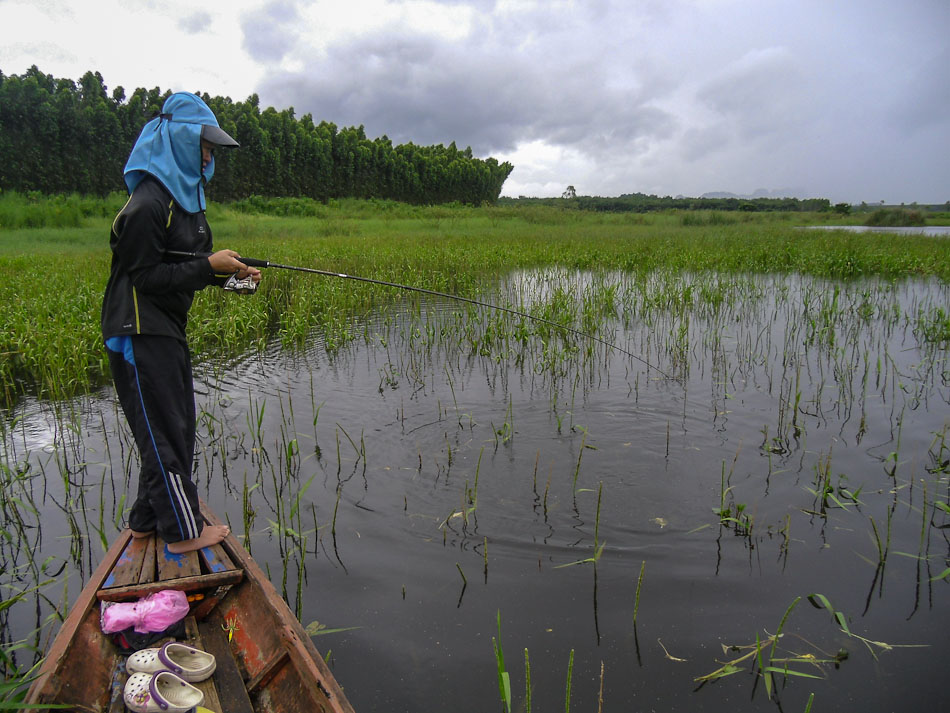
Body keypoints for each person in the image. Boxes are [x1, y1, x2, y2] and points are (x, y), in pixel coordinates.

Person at [101, 92, 261, 553]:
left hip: (164, 327)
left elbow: (186, 270)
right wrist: (208, 267)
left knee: (173, 423)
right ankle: (182, 532)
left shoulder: (183, 201)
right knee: (166, 428)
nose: (210, 155)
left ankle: (146, 518)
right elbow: (147, 277)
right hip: (137, 329)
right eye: (204, 146)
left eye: (211, 149)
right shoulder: (147, 204)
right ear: (178, 141)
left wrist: (232, 276)